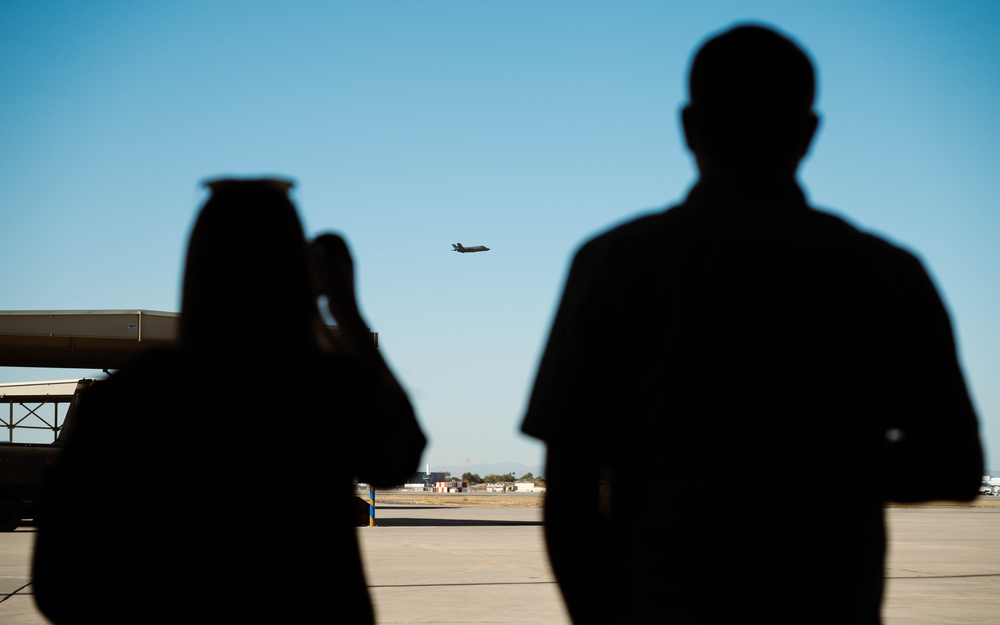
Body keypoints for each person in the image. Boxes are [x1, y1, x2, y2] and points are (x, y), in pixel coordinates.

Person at [521, 23, 984, 624]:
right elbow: (956, 465)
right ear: (809, 131)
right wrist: (819, 462)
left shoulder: (614, 264)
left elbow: (570, 492)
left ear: (689, 126)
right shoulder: (885, 273)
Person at [32, 177, 427, 623]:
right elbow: (397, 458)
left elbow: (57, 583)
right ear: (297, 274)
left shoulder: (130, 397)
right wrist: (346, 313)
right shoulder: (323, 388)